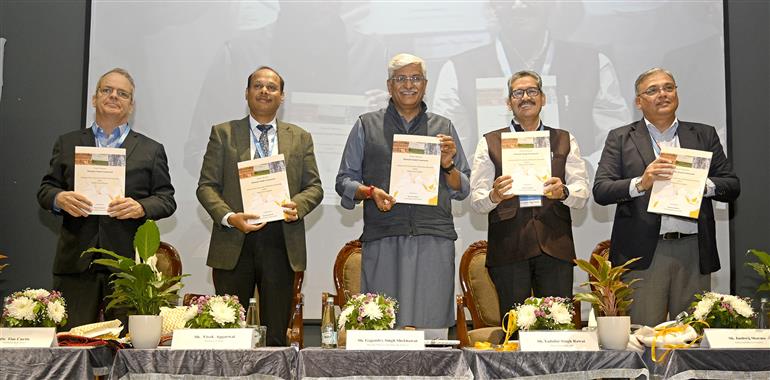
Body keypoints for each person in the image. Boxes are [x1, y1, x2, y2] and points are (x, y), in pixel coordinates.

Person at [335, 53, 471, 339]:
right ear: (389, 85)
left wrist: (448, 164)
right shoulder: (365, 125)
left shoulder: (443, 127)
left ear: (425, 84)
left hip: (433, 237)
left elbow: (463, 187)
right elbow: (344, 181)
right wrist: (370, 192)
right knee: (381, 330)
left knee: (432, 334)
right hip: (384, 236)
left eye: (415, 78)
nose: (408, 85)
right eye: (401, 79)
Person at [593, 68, 740, 326]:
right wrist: (641, 183)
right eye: (652, 90)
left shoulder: (703, 135)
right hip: (645, 254)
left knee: (693, 336)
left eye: (668, 87)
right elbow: (601, 190)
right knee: (644, 338)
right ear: (638, 102)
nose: (662, 94)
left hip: (693, 250)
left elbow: (731, 185)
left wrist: (701, 185)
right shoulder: (620, 137)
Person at [38, 68, 176, 329]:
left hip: (127, 269)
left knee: (125, 349)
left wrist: (141, 207)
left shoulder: (151, 149)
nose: (114, 96)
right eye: (107, 90)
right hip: (75, 264)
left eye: (122, 93)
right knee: (72, 346)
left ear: (131, 105)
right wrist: (60, 199)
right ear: (94, 98)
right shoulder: (67, 143)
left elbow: (166, 199)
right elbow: (46, 190)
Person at [197, 66, 322, 346]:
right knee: (228, 334)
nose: (264, 91)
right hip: (234, 240)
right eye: (258, 86)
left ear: (282, 96)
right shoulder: (223, 133)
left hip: (281, 242)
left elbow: (314, 188)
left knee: (276, 336)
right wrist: (229, 217)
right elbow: (206, 186)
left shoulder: (300, 137)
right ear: (247, 93)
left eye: (272, 87)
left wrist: (297, 206)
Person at [432, 0, 629, 164]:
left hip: (573, 201)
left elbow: (617, 143)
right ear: (493, 6)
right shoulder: (458, 69)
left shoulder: (593, 64)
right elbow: (450, 148)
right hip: (492, 200)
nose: (519, 5)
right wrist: (481, 173)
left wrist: (581, 171)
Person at [469, 71, 589, 319]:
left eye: (532, 91)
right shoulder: (490, 141)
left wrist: (564, 191)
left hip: (555, 247)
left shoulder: (565, 139)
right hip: (509, 249)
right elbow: (477, 201)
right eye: (518, 93)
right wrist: (494, 195)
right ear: (508, 101)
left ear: (543, 98)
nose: (525, 97)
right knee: (515, 332)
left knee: (558, 329)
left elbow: (582, 192)